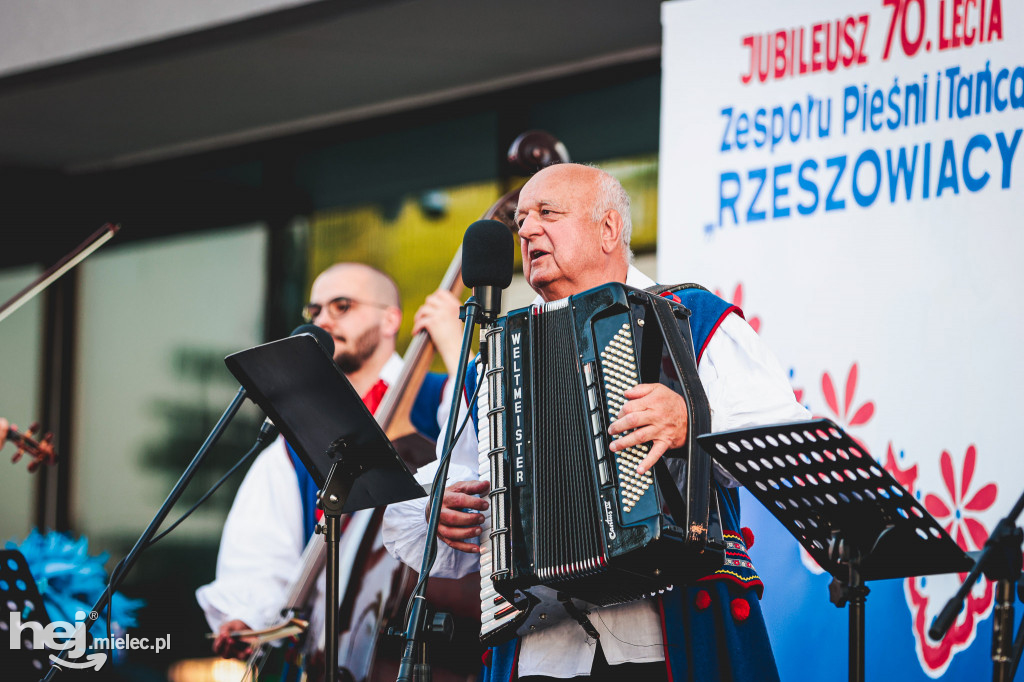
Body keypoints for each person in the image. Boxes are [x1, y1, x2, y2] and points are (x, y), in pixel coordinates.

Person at [382, 163, 810, 681]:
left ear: (609, 229)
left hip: (667, 642)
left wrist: (693, 418)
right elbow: (463, 470)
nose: (526, 230)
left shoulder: (693, 317)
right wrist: (439, 508)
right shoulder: (496, 363)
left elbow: (784, 442)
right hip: (544, 653)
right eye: (521, 221)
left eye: (547, 213)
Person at [196, 262, 463, 660]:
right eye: (315, 311)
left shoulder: (447, 396)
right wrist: (247, 619)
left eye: (342, 306)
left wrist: (458, 349)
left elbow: (490, 459)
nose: (324, 320)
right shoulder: (290, 443)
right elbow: (263, 551)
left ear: (391, 318)